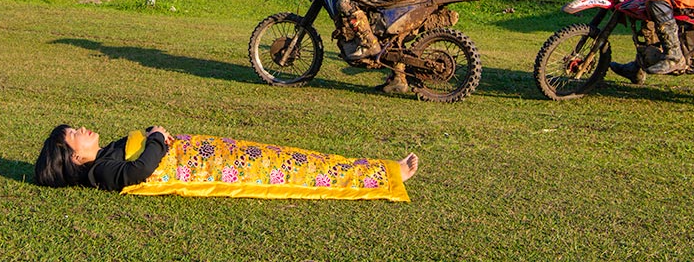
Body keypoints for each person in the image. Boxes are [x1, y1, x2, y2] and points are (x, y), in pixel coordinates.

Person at [34, 123, 418, 201]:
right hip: (218, 168)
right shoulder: (100, 171)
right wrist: (155, 138)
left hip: (216, 151)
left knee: (296, 157)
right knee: (299, 169)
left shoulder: (102, 157)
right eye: (74, 133)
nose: (83, 128)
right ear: (74, 156)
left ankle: (381, 170)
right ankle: (387, 174)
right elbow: (139, 172)